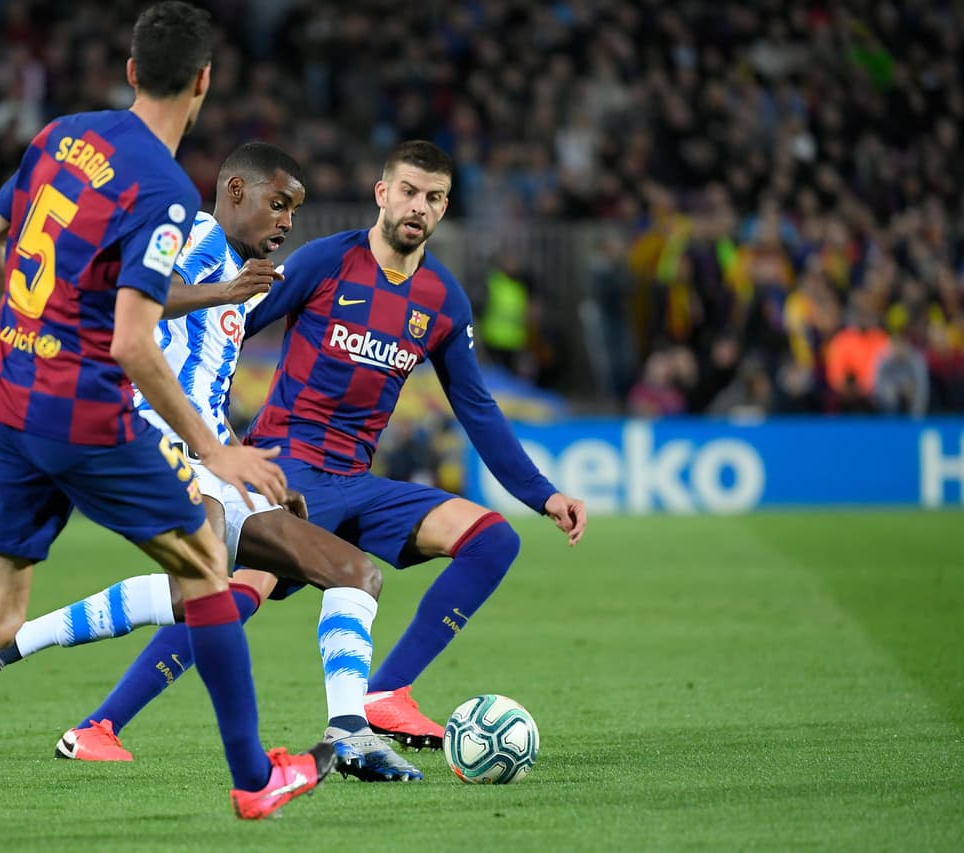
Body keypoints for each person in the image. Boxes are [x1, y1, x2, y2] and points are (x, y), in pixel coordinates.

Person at [0, 3, 332, 835]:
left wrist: (45, 330)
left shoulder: (61, 137)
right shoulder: (166, 192)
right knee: (206, 563)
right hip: (79, 411)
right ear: (203, 82)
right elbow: (134, 339)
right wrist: (216, 450)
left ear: (132, 70)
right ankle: (253, 779)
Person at [42, 140, 587, 753]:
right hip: (288, 468)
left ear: (444, 209)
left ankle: (386, 695)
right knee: (231, 592)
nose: (419, 206)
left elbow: (477, 409)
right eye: (408, 191)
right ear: (383, 194)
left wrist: (542, 495)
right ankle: (100, 724)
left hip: (359, 481)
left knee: (492, 538)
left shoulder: (442, 299)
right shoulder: (327, 260)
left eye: (433, 198)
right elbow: (228, 322)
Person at [0, 141, 421, 782]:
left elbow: (205, 386)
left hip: (205, 450)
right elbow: (132, 303)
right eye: (277, 205)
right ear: (234, 193)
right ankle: (327, 742)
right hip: (147, 438)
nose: (284, 223)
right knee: (254, 579)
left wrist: (255, 474)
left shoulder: (241, 284)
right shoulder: (197, 237)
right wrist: (223, 290)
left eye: (293, 213)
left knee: (332, 576)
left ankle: (11, 648)